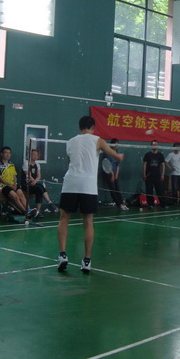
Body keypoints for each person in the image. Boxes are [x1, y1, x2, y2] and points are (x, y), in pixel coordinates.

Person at [57, 115, 124, 274]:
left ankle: (62, 254)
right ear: (93, 128)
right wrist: (120, 156)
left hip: (70, 183)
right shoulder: (98, 140)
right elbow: (113, 154)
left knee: (64, 218)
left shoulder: (70, 142)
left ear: (80, 128)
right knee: (88, 221)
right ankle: (86, 260)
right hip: (88, 185)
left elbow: (70, 161)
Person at [0, 146, 29, 216]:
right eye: (6, 153)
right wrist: (9, 185)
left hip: (13, 185)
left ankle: (29, 210)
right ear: (1, 154)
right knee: (15, 196)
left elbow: (14, 176)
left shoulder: (12, 165)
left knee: (21, 195)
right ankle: (25, 212)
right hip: (4, 186)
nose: (8, 155)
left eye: (9, 153)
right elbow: (0, 178)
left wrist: (15, 184)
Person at [25, 148, 59, 215]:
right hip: (27, 185)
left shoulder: (37, 165)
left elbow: (39, 176)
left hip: (34, 184)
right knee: (39, 187)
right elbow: (28, 175)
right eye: (33, 154)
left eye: (36, 155)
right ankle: (49, 202)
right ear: (30, 155)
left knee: (40, 188)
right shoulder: (26, 164)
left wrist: (35, 181)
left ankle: (38, 211)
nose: (35, 156)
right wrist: (33, 181)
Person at [100, 138, 127, 210]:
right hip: (108, 172)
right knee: (112, 189)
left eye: (118, 144)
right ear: (112, 145)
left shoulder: (118, 152)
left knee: (117, 188)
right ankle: (119, 205)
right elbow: (107, 165)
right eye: (115, 144)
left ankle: (122, 203)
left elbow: (118, 165)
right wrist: (112, 174)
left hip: (115, 173)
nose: (117, 145)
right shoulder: (108, 152)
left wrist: (116, 174)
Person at [142, 140, 167, 208]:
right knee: (149, 191)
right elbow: (144, 164)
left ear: (158, 146)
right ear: (151, 146)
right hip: (149, 175)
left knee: (160, 190)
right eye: (153, 144)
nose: (154, 146)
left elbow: (163, 165)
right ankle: (151, 204)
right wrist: (144, 174)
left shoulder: (160, 155)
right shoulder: (147, 154)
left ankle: (163, 204)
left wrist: (162, 174)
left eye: (156, 144)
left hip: (157, 176)